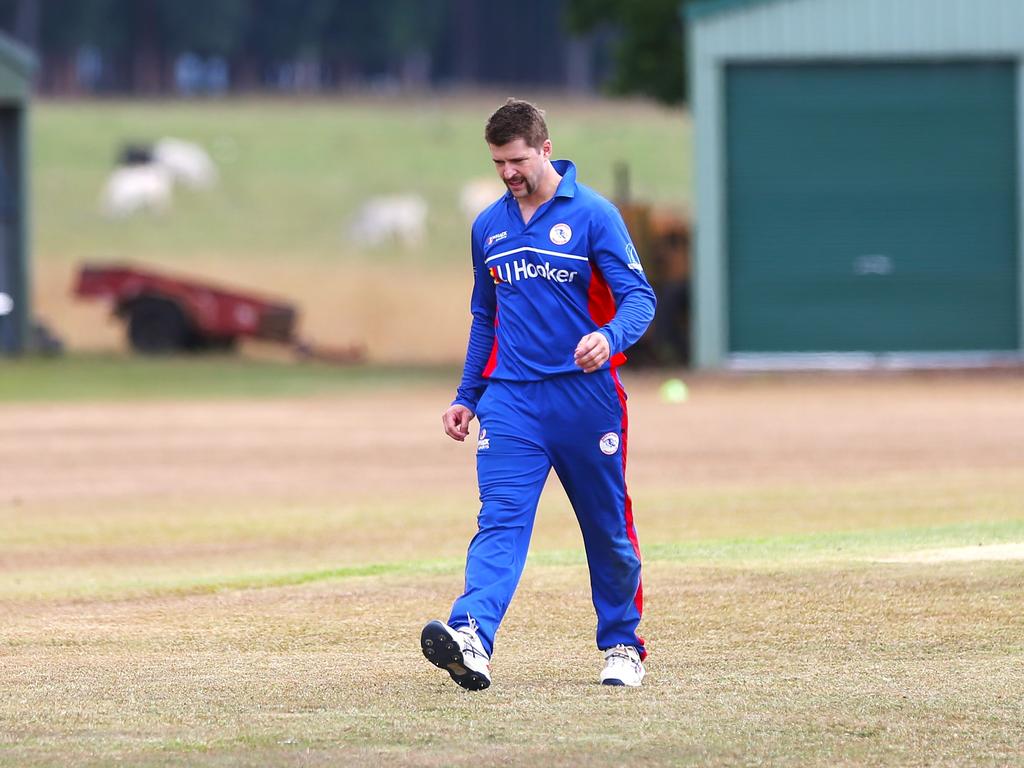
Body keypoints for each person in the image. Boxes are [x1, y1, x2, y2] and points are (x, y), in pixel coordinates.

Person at [421, 99, 656, 690]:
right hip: (511, 403)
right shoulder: (488, 227)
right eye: (498, 162)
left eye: (517, 160)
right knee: (500, 521)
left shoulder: (595, 215)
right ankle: (471, 637)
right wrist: (467, 396)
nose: (508, 173)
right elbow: (485, 316)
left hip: (585, 400)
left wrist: (609, 337)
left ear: (545, 149)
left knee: (606, 527)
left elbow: (639, 298)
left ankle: (623, 645)